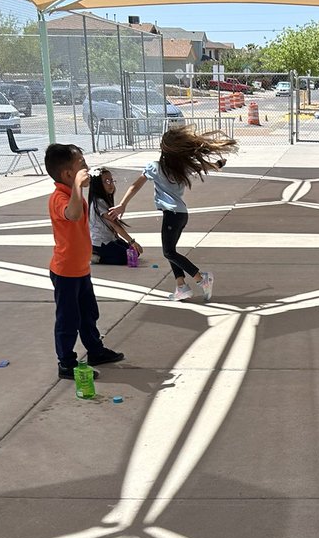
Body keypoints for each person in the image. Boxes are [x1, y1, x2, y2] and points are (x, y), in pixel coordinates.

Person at [108, 124, 236, 301]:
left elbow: (136, 185)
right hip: (180, 215)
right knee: (171, 251)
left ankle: (201, 278)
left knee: (168, 252)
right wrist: (220, 163)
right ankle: (181, 286)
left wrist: (122, 204)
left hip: (172, 215)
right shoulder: (183, 167)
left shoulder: (155, 167)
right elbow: (211, 166)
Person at [45, 143, 124, 380]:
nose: (87, 169)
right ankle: (66, 363)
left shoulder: (73, 194)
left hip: (80, 269)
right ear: (68, 175)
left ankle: (95, 351)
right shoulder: (60, 198)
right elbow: (73, 215)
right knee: (69, 319)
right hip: (65, 272)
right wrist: (79, 186)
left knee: (89, 313)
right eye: (82, 165)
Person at [88, 168, 142, 265]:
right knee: (124, 258)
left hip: (111, 238)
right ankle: (97, 257)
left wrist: (131, 243)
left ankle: (103, 254)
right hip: (100, 242)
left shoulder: (104, 200)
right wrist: (132, 241)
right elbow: (115, 225)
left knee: (134, 252)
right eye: (106, 181)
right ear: (97, 185)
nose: (111, 184)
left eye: (111, 180)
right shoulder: (98, 202)